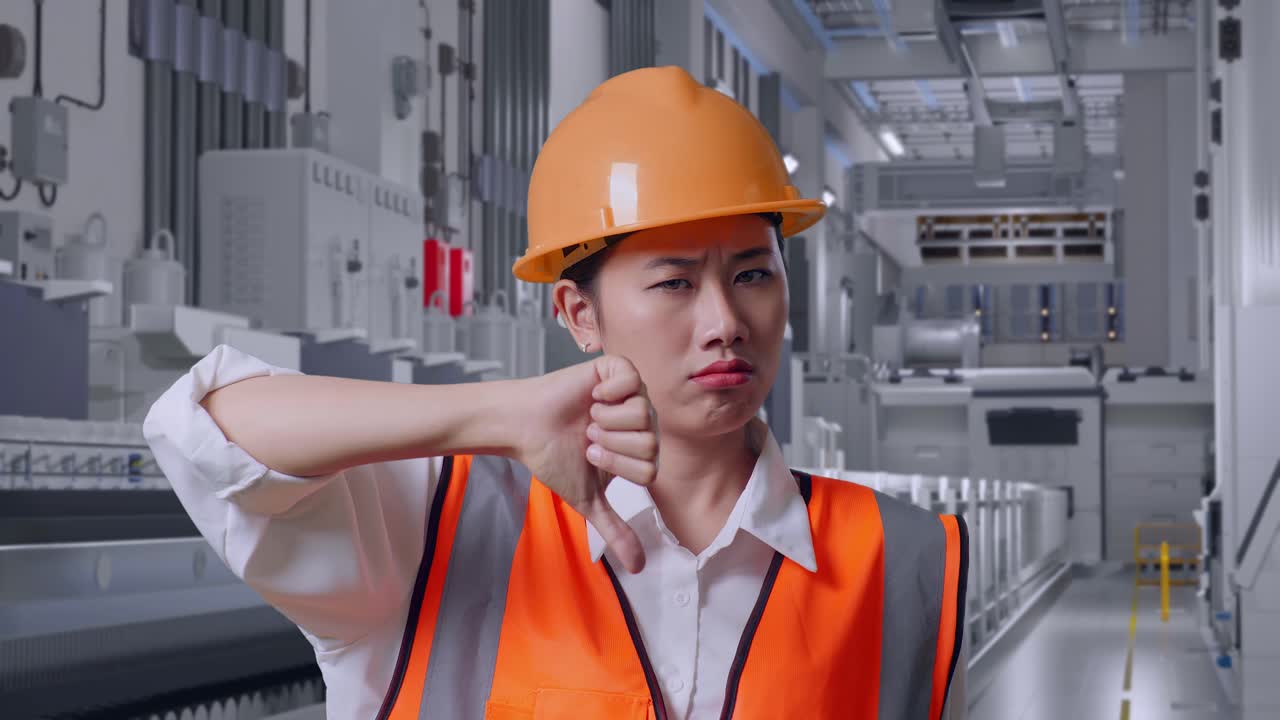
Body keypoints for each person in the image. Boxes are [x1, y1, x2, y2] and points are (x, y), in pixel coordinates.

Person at [144, 66, 968, 720]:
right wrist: (497, 412)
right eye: (675, 283)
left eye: (753, 274)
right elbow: (204, 427)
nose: (725, 322)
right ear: (578, 314)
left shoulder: (905, 563)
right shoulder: (434, 529)